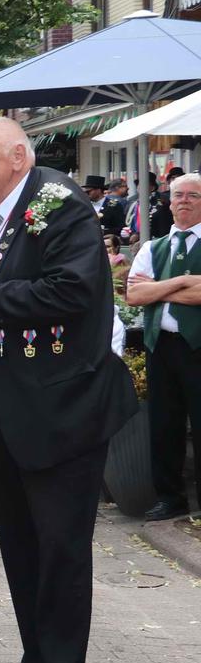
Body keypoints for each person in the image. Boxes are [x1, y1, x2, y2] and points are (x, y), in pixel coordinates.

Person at [0, 117, 137, 663]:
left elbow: (75, 289)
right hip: (6, 409)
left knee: (59, 552)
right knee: (24, 549)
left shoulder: (55, 199)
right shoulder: (3, 209)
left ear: (19, 155)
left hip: (61, 411)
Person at [124, 172, 201, 522]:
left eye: (192, 195)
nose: (183, 200)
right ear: (168, 201)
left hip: (197, 347)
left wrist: (159, 287)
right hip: (161, 346)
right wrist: (184, 282)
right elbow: (134, 294)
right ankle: (170, 498)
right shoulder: (152, 248)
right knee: (164, 425)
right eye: (177, 195)